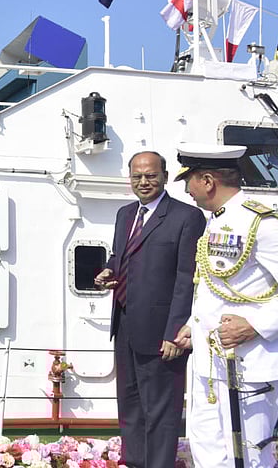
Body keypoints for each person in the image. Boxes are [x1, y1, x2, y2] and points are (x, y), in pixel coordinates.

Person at [173, 144, 278, 467]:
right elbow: (217, 286)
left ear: (207, 181)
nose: (187, 190)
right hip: (210, 362)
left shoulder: (263, 224)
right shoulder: (216, 221)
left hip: (250, 363)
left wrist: (255, 326)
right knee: (207, 450)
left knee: (249, 454)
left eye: (189, 180)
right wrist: (193, 324)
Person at [94, 151, 206, 468]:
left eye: (151, 175)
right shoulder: (125, 214)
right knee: (130, 406)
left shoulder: (187, 217)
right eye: (137, 176)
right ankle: (135, 463)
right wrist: (109, 270)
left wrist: (175, 332)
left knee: (161, 411)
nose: (143, 182)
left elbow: (187, 279)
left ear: (165, 177)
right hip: (125, 324)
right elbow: (120, 256)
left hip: (162, 332)